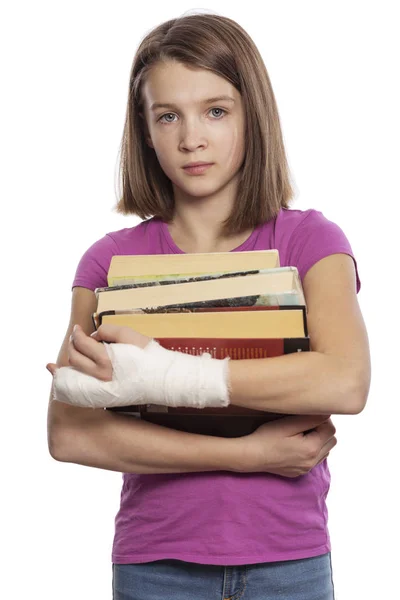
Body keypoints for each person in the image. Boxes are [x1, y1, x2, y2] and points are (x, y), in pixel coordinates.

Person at [46, 12, 371, 600]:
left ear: (253, 116)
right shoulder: (109, 261)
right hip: (156, 561)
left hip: (287, 560)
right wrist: (246, 455)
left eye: (216, 111)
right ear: (145, 131)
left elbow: (345, 382)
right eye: (167, 115)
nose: (191, 137)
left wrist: (166, 374)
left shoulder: (308, 242)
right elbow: (71, 432)